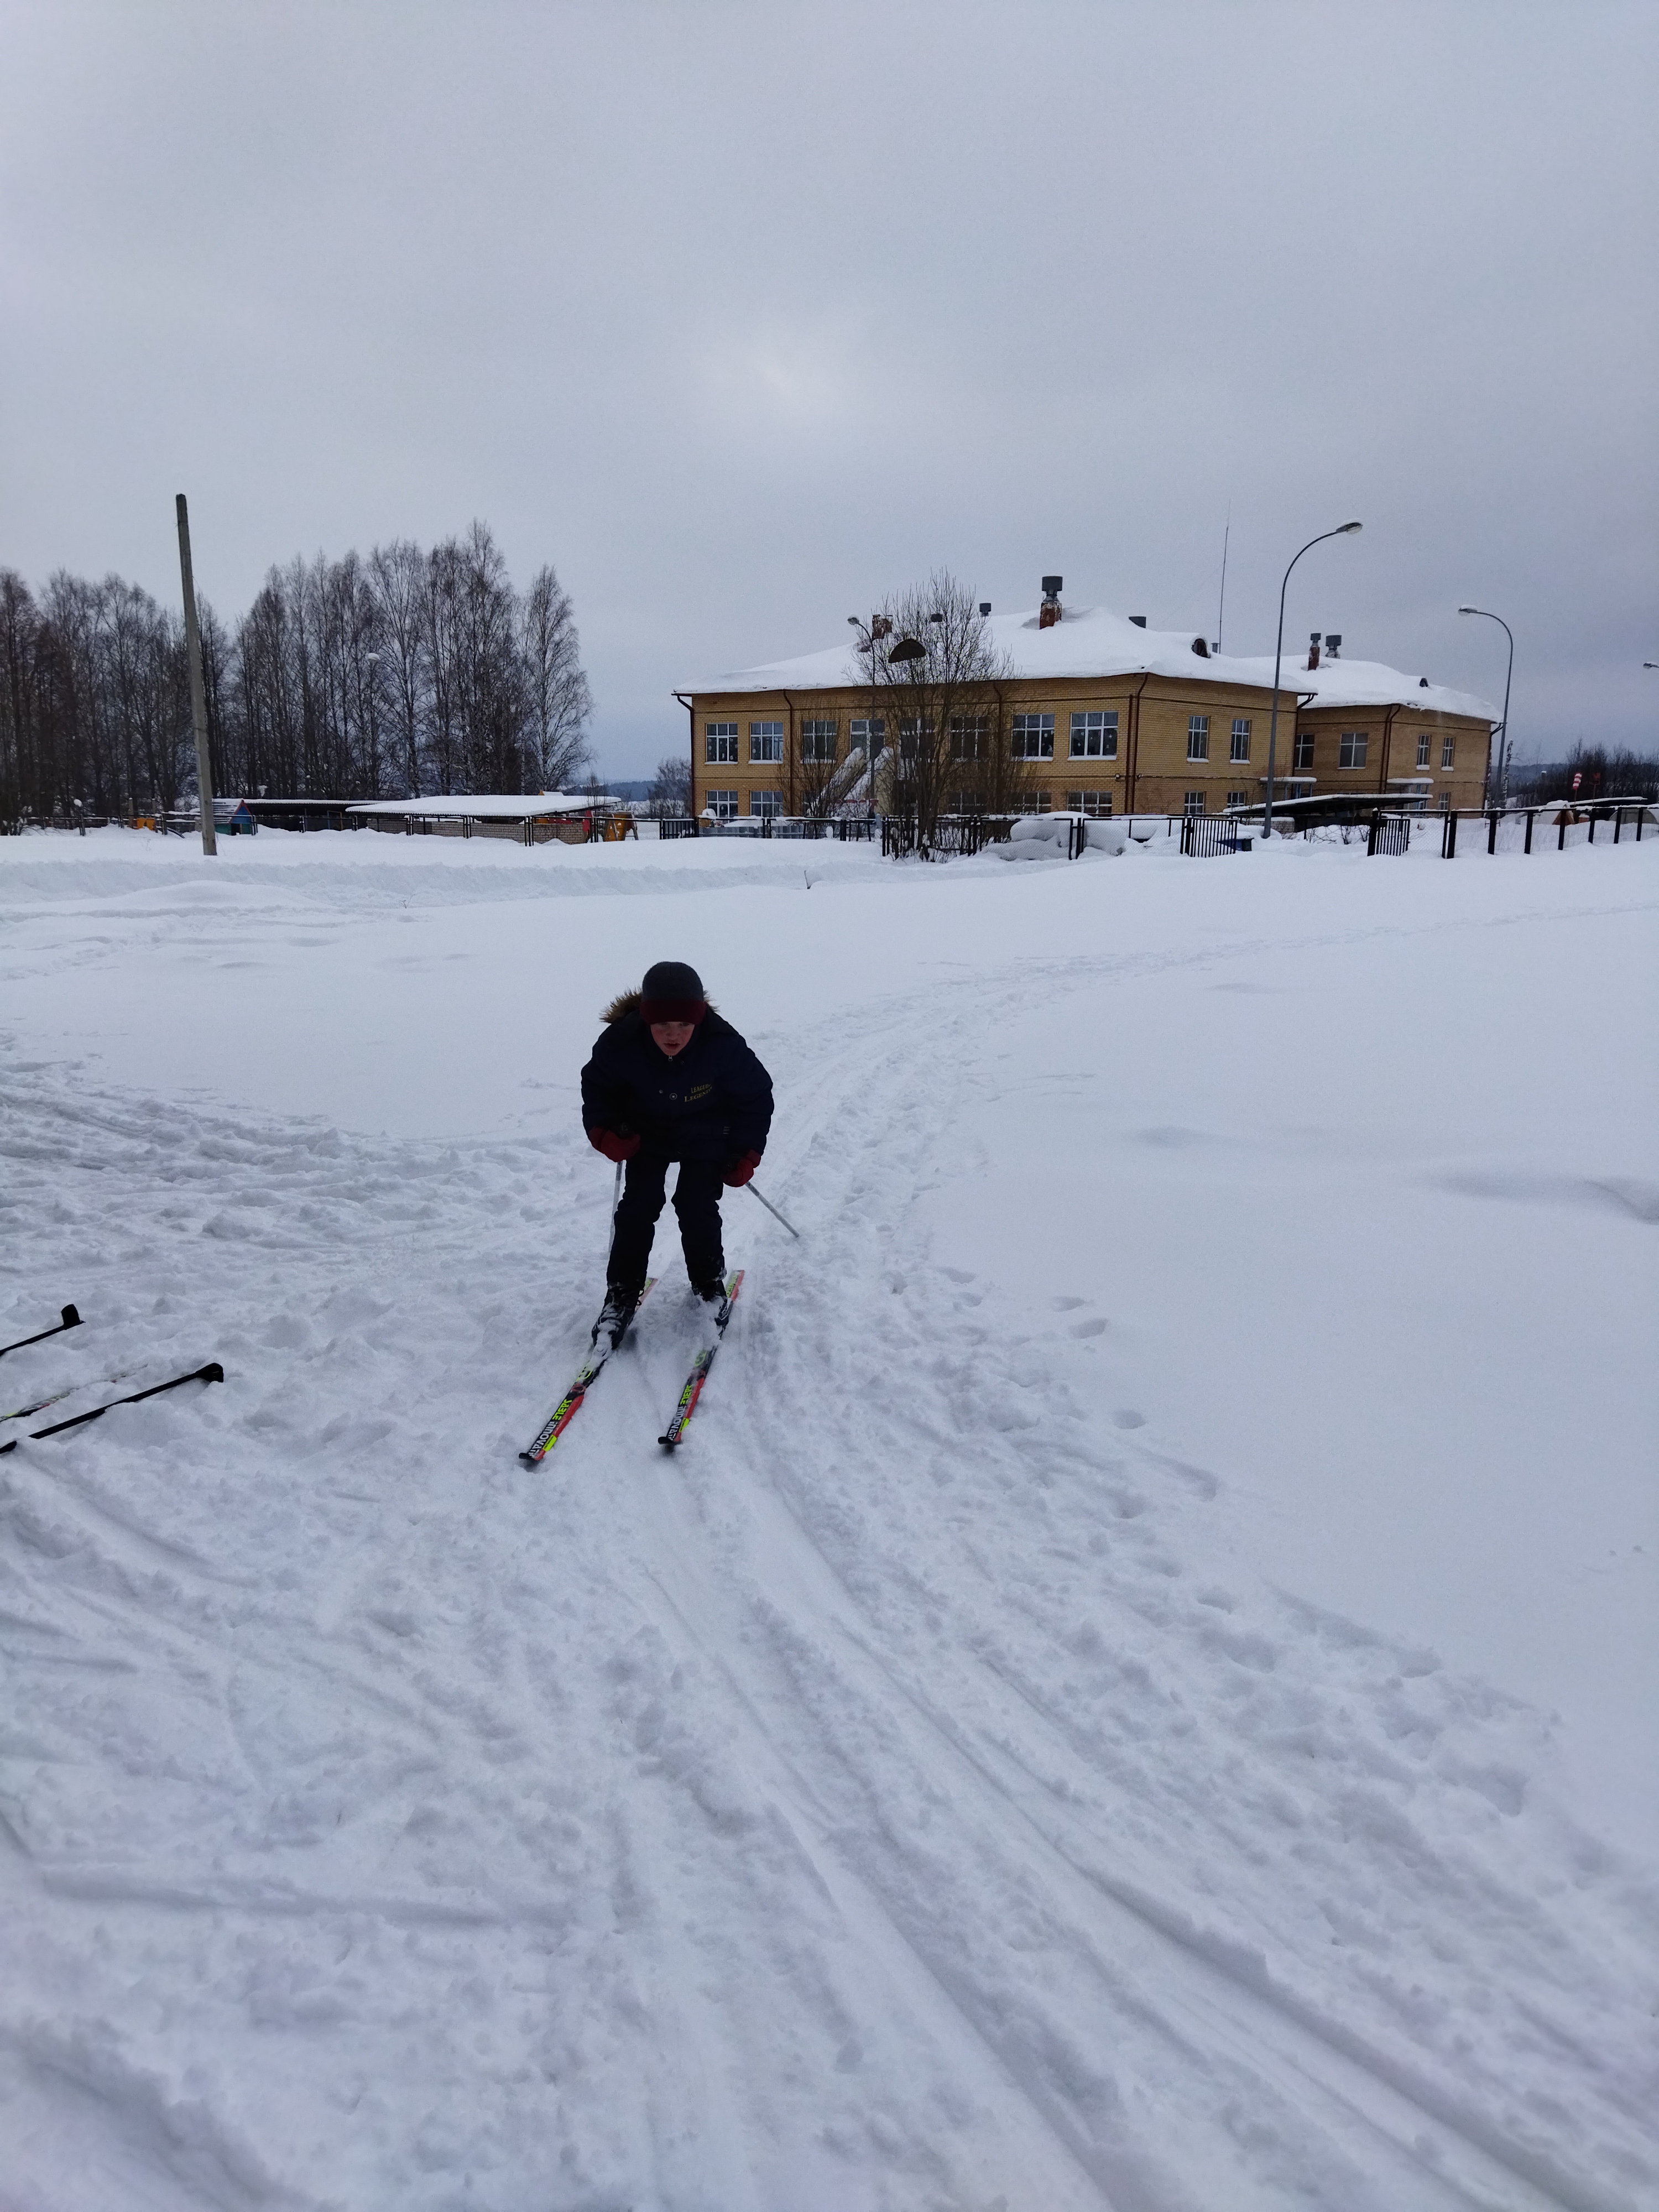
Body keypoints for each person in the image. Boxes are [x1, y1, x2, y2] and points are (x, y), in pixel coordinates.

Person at [580, 961, 773, 1341]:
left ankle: (707, 1284)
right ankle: (620, 1294)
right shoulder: (621, 1043)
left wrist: (745, 1152)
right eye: (662, 1026)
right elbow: (597, 1088)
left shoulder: (722, 1045)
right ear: (645, 1020)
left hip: (705, 1132)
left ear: (698, 1020)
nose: (674, 1035)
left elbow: (755, 1097)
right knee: (638, 1206)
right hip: (645, 1134)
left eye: (684, 1025)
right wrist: (605, 1131)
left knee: (696, 1204)